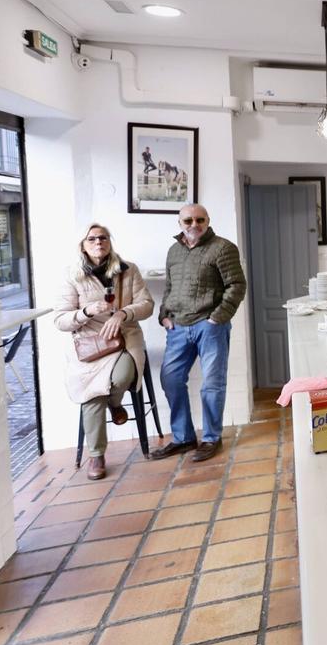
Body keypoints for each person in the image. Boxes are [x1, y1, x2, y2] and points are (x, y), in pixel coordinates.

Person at [53, 224, 155, 480]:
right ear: (83, 244)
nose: (98, 242)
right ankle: (96, 455)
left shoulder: (128, 270)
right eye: (92, 239)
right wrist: (86, 312)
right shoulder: (72, 275)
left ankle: (115, 403)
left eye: (103, 237)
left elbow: (147, 305)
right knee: (91, 392)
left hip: (124, 340)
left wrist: (122, 314)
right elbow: (60, 320)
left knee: (120, 378)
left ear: (110, 241)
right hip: (90, 347)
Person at [152, 204, 247, 462]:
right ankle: (183, 438)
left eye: (200, 219)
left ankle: (210, 438)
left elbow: (237, 285)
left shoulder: (223, 247)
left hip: (210, 326)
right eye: (188, 221)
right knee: (170, 380)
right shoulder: (174, 251)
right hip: (178, 327)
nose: (194, 225)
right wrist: (164, 315)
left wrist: (217, 317)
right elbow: (170, 287)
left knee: (212, 384)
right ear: (180, 223)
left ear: (208, 220)